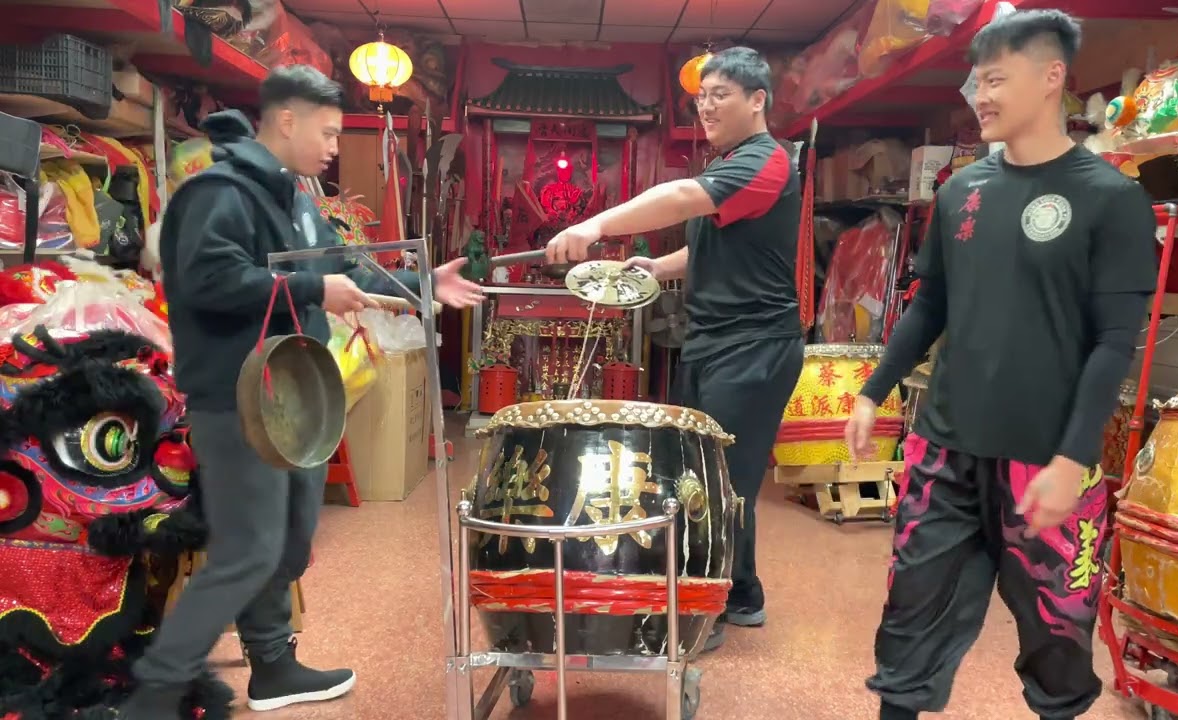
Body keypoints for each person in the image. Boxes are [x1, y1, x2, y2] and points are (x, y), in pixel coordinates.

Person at [121, 65, 482, 719]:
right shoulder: (218, 192)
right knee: (247, 550)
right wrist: (311, 291)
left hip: (294, 393)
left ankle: (273, 665)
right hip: (237, 397)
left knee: (287, 539)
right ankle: (154, 692)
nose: (335, 146)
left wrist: (424, 284)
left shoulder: (295, 199)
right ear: (286, 121)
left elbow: (339, 265)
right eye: (330, 131)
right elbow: (207, 281)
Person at [843, 11, 1157, 720]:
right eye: (975, 81)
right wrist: (873, 390)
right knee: (908, 621)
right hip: (946, 449)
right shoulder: (960, 192)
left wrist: (1073, 461)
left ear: (1051, 79)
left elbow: (1114, 343)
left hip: (1047, 463)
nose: (979, 96)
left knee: (1055, 640)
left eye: (995, 79)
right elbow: (931, 309)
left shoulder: (1111, 199)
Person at [544, 46, 804, 652]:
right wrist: (656, 266)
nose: (706, 106)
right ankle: (740, 595)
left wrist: (595, 226)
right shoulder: (738, 163)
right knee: (713, 475)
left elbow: (685, 198)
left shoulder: (764, 161)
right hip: (714, 340)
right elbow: (714, 250)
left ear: (758, 100)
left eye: (721, 95)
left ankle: (704, 611)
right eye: (702, 97)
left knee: (716, 480)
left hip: (755, 345)